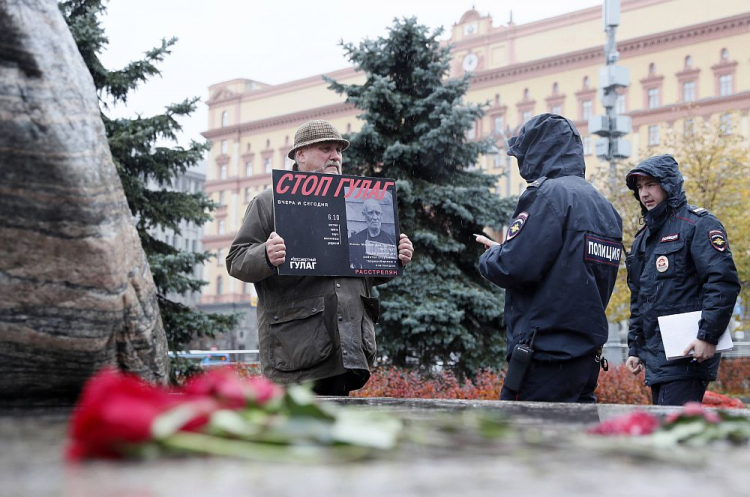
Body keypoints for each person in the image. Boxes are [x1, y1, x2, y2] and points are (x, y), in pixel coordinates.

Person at [226, 120, 414, 396]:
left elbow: (361, 272)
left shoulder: (354, 200)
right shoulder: (270, 201)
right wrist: (265, 255)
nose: (336, 156)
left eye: (339, 150)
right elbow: (236, 259)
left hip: (347, 347)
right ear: (300, 154)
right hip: (296, 350)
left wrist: (394, 258)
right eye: (326, 148)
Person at [475, 113, 623, 403]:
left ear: (537, 150)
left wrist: (493, 254)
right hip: (585, 356)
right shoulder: (604, 207)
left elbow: (514, 266)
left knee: (527, 440)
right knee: (571, 442)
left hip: (545, 355)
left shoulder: (548, 195)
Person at [623, 154, 740, 406]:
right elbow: (640, 295)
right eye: (640, 187)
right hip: (657, 356)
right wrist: (636, 347)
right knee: (668, 433)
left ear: (668, 185)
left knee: (673, 433)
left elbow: (722, 282)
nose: (645, 193)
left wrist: (708, 336)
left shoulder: (698, 224)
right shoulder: (644, 237)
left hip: (689, 352)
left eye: (651, 184)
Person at [348, 198, 397, 268]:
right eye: (370, 213)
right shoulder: (353, 241)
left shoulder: (392, 241)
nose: (375, 217)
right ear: (364, 215)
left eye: (377, 213)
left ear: (381, 216)